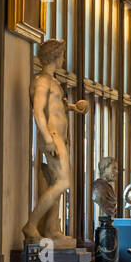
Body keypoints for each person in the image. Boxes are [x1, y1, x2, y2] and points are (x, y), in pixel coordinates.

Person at [24, 38, 87, 247]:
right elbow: (38, 111)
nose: (64, 59)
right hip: (53, 136)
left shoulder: (52, 81)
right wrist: (47, 139)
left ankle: (51, 229)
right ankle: (31, 225)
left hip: (59, 136)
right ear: (55, 56)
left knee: (56, 182)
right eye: (62, 55)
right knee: (63, 182)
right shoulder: (42, 81)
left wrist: (73, 107)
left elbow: (55, 107)